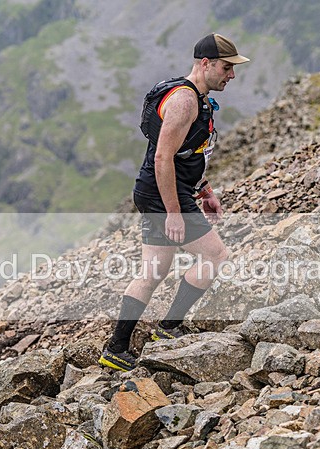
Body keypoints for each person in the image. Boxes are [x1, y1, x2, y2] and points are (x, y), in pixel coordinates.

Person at [99, 34, 250, 372]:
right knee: (216, 255)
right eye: (227, 67)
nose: (232, 75)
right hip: (163, 193)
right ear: (205, 63)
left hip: (163, 190)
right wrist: (174, 213)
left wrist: (204, 189)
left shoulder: (194, 95)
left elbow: (186, 155)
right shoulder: (184, 101)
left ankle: (117, 347)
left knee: (154, 270)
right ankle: (168, 330)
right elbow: (163, 158)